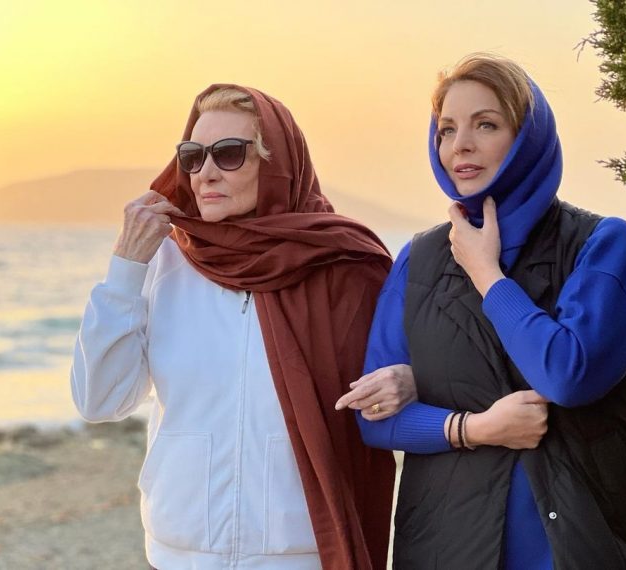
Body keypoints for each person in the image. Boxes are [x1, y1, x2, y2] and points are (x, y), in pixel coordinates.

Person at [336, 54, 626, 569]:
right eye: (446, 129)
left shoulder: (603, 244)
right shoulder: (419, 259)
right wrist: (471, 427)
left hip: (578, 546)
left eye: (485, 124)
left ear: (528, 136)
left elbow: (567, 375)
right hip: (445, 548)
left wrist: (487, 274)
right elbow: (374, 419)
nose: (459, 145)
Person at [71, 84, 395, 569]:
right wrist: (125, 267)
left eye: (228, 154)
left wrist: (408, 380)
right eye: (192, 156)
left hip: (300, 553)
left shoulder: (345, 265)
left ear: (276, 163)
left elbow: (403, 383)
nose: (205, 173)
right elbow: (99, 400)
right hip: (180, 554)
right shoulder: (163, 261)